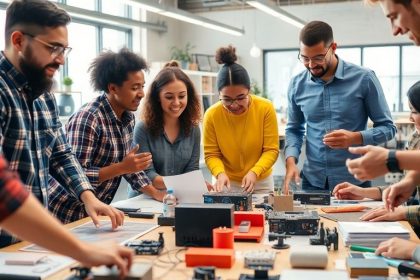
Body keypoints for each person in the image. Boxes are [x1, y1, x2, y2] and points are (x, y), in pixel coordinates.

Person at [0, 0, 123, 247]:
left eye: (65, 50)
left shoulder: (43, 94)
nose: (61, 60)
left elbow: (60, 153)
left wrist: (88, 196)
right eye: (53, 48)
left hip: (28, 243)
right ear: (18, 41)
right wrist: (78, 250)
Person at [48, 48, 165, 224]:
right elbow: (76, 175)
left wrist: (154, 192)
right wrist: (122, 167)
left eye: (142, 86)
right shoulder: (89, 118)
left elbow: (129, 167)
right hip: (64, 212)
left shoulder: (127, 118)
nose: (141, 93)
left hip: (94, 212)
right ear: (112, 88)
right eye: (134, 88)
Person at [283, 20, 396, 194]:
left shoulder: (364, 79)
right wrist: (291, 161)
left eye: (318, 57)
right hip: (313, 181)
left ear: (333, 47)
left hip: (355, 181)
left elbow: (388, 128)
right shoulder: (297, 84)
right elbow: (294, 129)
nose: (311, 65)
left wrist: (356, 137)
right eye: (305, 58)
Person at [0, 155, 133, 278]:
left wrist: (89, 197)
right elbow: (5, 192)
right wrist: (84, 250)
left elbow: (62, 156)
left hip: (29, 241)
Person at [333, 81, 420, 227]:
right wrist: (363, 192)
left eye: (415, 111)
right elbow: (408, 190)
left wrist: (403, 213)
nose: (410, 118)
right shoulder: (415, 138)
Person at [203, 45, 279, 194]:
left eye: (240, 98)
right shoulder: (212, 114)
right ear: (219, 94)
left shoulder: (265, 108)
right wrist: (219, 173)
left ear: (249, 91)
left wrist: (255, 172)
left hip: (260, 181)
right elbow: (211, 154)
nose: (234, 105)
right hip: (225, 181)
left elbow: (271, 150)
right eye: (227, 99)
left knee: (262, 216)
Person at [128, 61, 203, 197]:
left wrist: (193, 183)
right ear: (157, 97)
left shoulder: (194, 129)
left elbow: (192, 170)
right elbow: (148, 175)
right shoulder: (143, 128)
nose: (176, 102)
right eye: (169, 97)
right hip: (144, 199)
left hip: (177, 198)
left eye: (181, 96)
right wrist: (191, 183)